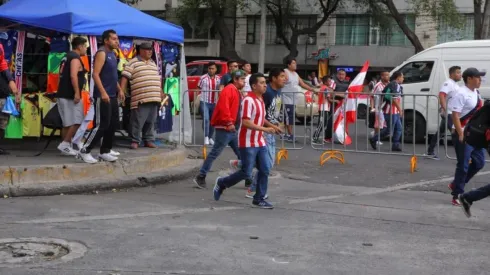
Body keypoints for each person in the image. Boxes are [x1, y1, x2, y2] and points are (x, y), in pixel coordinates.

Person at [213, 73, 282, 209]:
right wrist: (265, 129)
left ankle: (259, 198)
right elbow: (245, 122)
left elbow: (261, 118)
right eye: (262, 83)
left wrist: (273, 127)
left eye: (265, 83)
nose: (264, 85)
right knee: (246, 172)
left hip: (260, 141)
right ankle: (222, 183)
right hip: (248, 142)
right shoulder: (248, 100)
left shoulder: (261, 100)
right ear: (254, 86)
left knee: (265, 169)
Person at [193, 70, 246, 189]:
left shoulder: (235, 91)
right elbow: (224, 107)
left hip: (231, 128)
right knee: (215, 152)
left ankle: (247, 177)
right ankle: (200, 176)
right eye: (242, 79)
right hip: (226, 127)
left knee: (241, 154)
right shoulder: (229, 90)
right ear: (236, 79)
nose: (244, 81)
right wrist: (228, 122)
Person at [78, 29, 124, 164]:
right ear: (106, 40)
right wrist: (103, 92)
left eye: (117, 39)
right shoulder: (102, 53)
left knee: (112, 124)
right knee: (101, 125)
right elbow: (95, 74)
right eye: (114, 39)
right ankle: (85, 150)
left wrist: (119, 89)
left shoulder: (113, 54)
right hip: (103, 96)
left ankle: (105, 151)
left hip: (112, 95)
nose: (117, 41)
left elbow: (112, 76)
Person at [245, 68, 286, 199]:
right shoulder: (267, 93)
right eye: (281, 76)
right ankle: (253, 189)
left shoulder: (277, 91)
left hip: (271, 131)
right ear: (273, 78)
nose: (284, 79)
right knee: (266, 165)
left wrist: (278, 124)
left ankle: (240, 163)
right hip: (264, 131)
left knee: (268, 163)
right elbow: (261, 116)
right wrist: (271, 127)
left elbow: (274, 111)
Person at [448, 67, 485, 206]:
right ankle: (457, 194)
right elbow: (455, 115)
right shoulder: (461, 93)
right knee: (463, 165)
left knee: (479, 162)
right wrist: (461, 133)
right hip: (463, 133)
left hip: (474, 134)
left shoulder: (476, 92)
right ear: (469, 79)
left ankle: (456, 183)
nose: (480, 80)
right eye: (478, 77)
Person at [120, 42, 165, 150]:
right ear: (140, 50)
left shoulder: (153, 63)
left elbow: (156, 79)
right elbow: (125, 77)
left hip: (154, 97)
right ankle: (135, 140)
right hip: (140, 98)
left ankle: (148, 140)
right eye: (147, 49)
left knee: (151, 121)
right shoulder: (132, 62)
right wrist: (121, 91)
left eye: (151, 50)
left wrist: (161, 92)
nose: (150, 51)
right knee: (137, 121)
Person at [56, 36, 88, 156]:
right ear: (80, 46)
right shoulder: (75, 58)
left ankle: (66, 147)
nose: (86, 49)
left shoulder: (65, 56)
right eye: (85, 46)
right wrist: (76, 92)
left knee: (67, 123)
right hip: (70, 95)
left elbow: (60, 75)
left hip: (63, 93)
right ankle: (65, 144)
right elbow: (73, 76)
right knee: (78, 120)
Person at [426, 66, 462, 159]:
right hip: (449, 113)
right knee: (456, 134)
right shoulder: (448, 83)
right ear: (451, 74)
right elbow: (441, 95)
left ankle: (430, 151)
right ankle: (463, 156)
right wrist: (444, 109)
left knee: (440, 132)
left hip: (452, 113)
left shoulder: (455, 85)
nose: (460, 74)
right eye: (458, 72)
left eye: (460, 72)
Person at [282, 57, 316, 142]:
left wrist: (312, 89)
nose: (295, 65)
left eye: (295, 63)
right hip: (286, 98)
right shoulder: (285, 72)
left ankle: (286, 134)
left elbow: (302, 84)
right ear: (289, 65)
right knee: (289, 117)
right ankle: (289, 135)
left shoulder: (296, 74)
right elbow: (281, 82)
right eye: (293, 63)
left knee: (290, 117)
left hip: (293, 99)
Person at [369, 71, 404, 151]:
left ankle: (395, 145)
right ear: (398, 77)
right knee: (389, 130)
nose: (403, 79)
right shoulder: (395, 84)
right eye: (402, 77)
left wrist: (399, 110)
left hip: (394, 111)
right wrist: (400, 109)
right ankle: (374, 139)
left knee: (398, 128)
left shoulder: (395, 84)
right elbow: (394, 99)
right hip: (390, 110)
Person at [198, 62, 221, 146]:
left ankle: (210, 137)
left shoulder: (218, 79)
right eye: (209, 68)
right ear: (207, 69)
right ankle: (206, 136)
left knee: (213, 121)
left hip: (214, 102)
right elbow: (198, 88)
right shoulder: (203, 78)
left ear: (216, 69)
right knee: (206, 119)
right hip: (204, 101)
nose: (211, 70)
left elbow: (220, 90)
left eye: (213, 68)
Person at [323, 69, 349, 142]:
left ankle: (340, 136)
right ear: (337, 74)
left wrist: (344, 96)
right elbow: (331, 92)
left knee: (342, 120)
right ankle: (327, 137)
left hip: (343, 104)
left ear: (345, 75)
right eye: (340, 74)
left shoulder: (347, 83)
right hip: (334, 103)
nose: (341, 76)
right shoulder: (333, 82)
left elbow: (349, 93)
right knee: (331, 120)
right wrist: (341, 95)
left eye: (343, 74)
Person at [312, 75, 336, 144]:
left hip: (325, 108)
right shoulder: (325, 88)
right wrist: (335, 101)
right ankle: (314, 138)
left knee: (323, 123)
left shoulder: (325, 88)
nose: (330, 82)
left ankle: (316, 137)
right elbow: (328, 98)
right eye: (329, 81)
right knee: (321, 123)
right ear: (325, 82)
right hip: (323, 107)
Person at [369, 70, 390, 145]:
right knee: (378, 124)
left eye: (388, 75)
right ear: (382, 76)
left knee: (384, 123)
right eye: (385, 75)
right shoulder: (378, 85)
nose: (387, 77)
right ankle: (376, 138)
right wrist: (372, 107)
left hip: (387, 107)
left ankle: (374, 133)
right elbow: (371, 96)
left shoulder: (389, 84)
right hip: (379, 107)